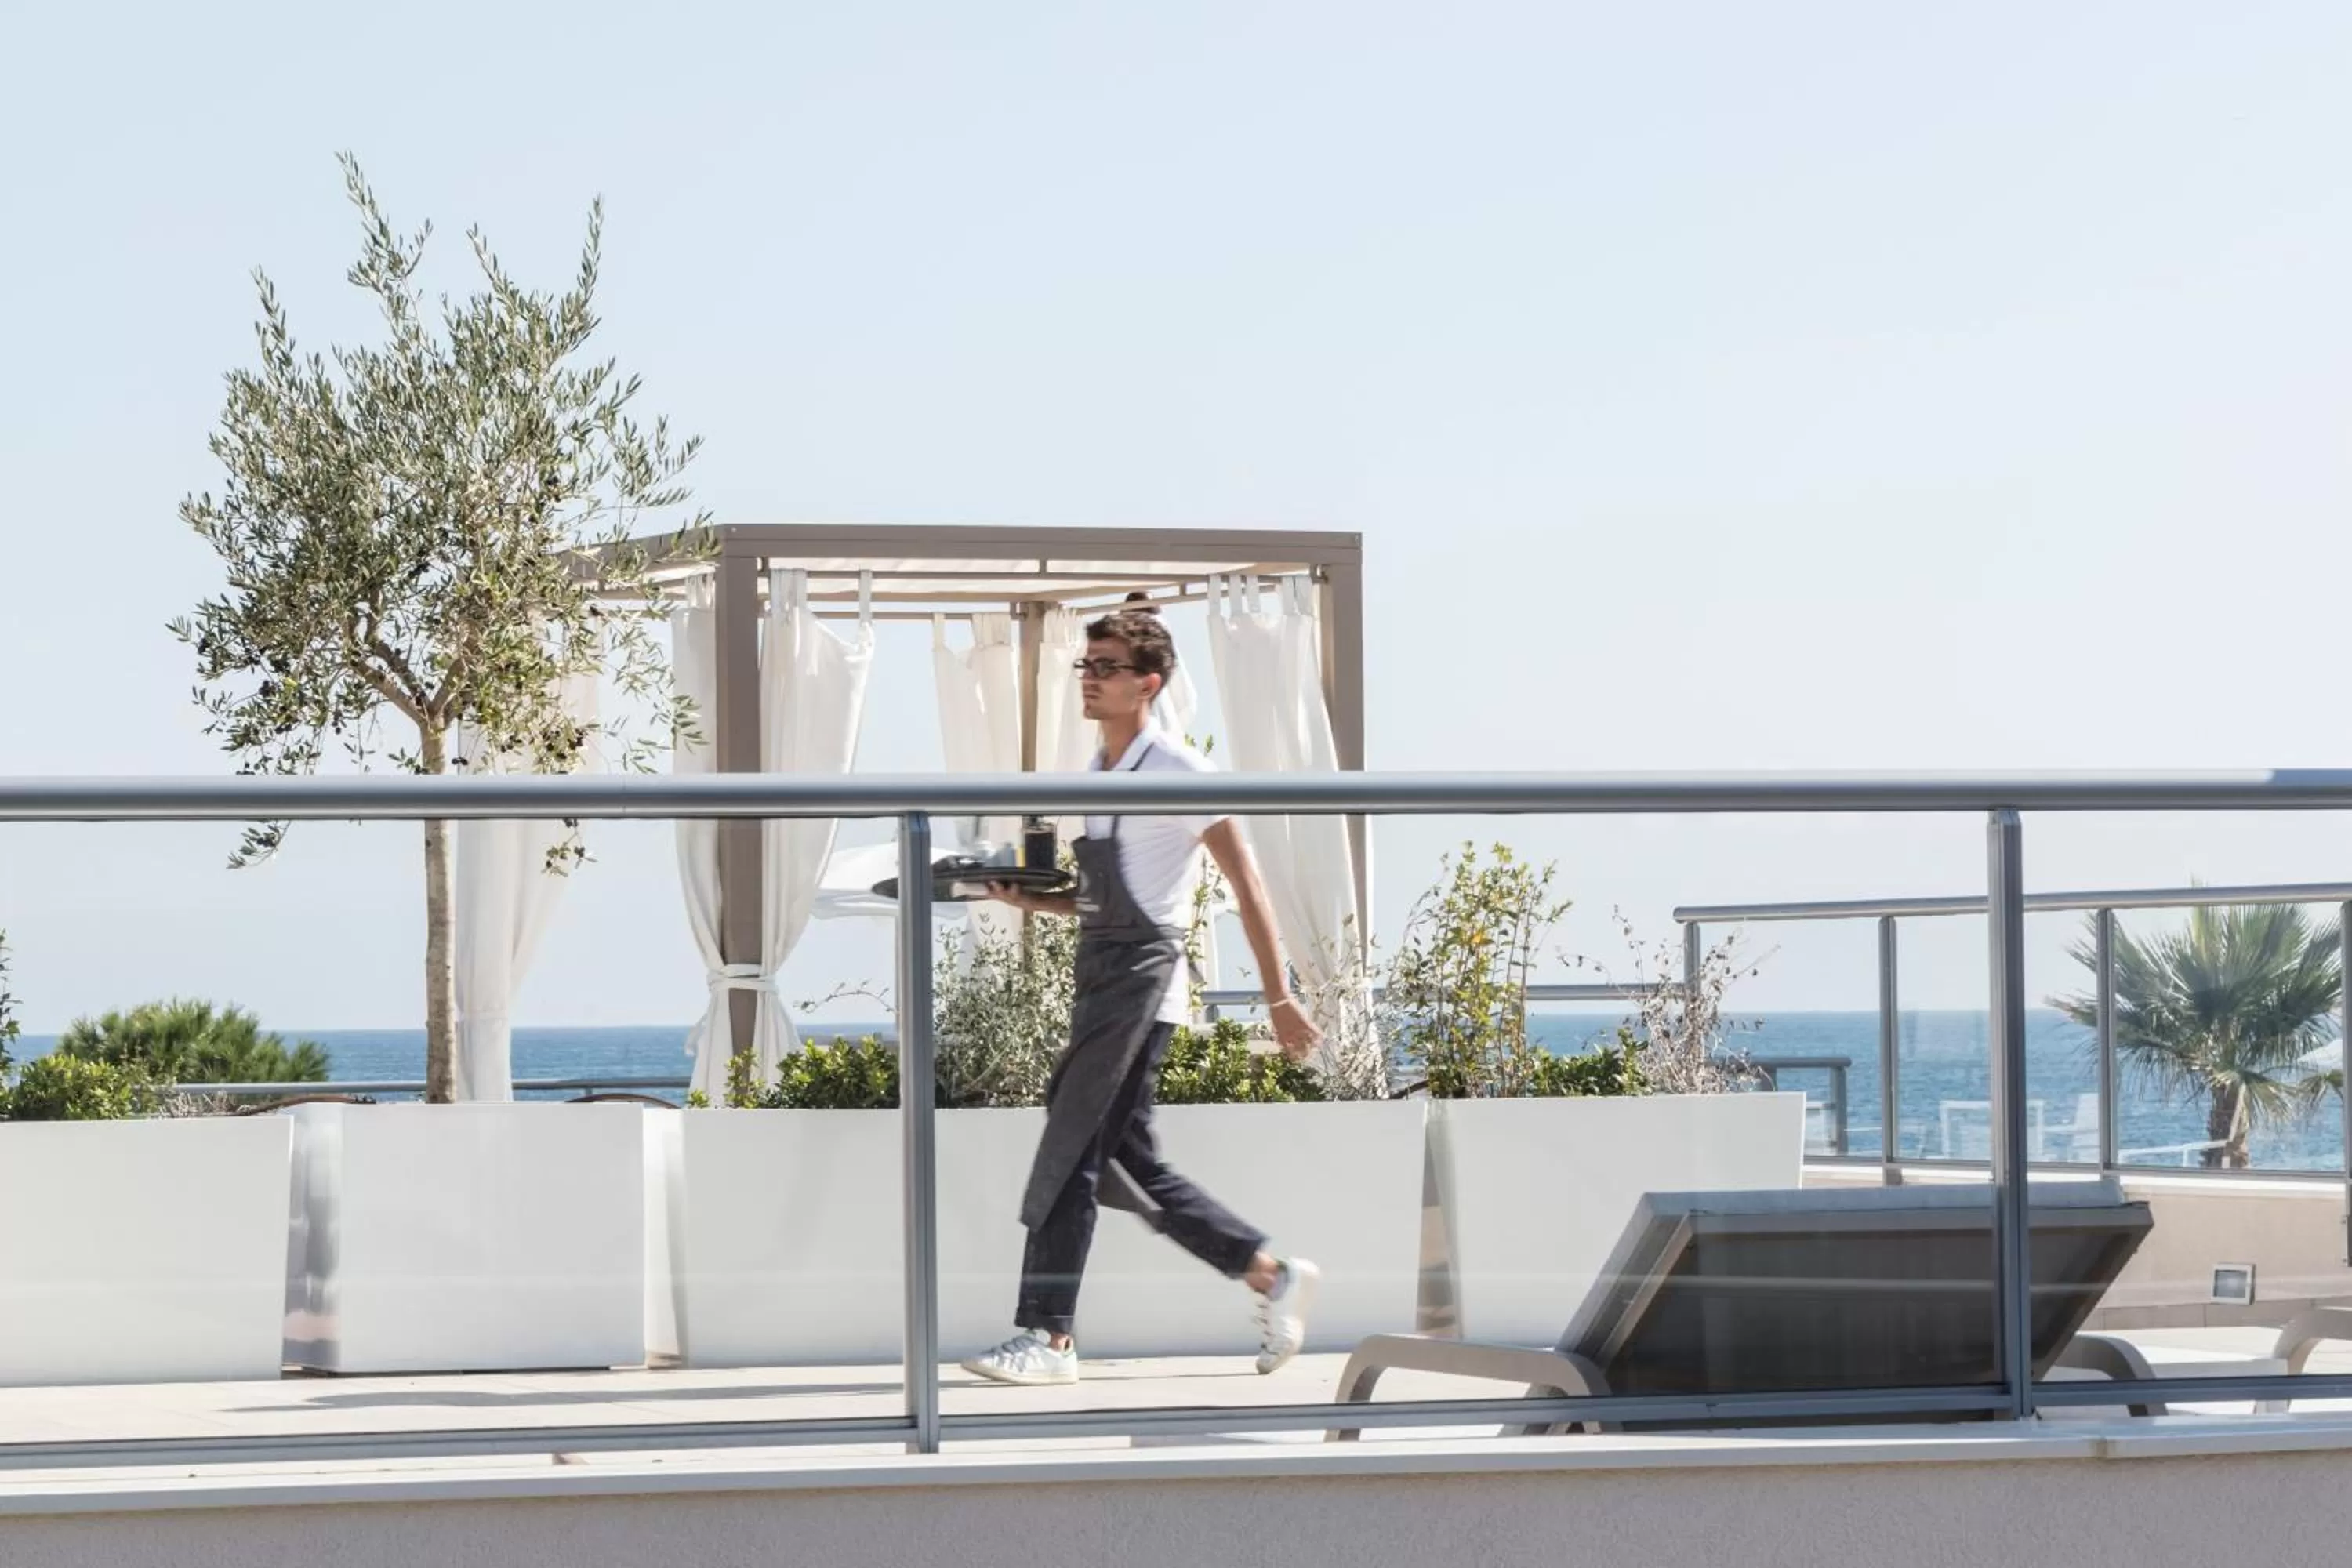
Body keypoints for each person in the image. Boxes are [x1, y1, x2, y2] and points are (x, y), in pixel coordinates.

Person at [959, 605, 1326, 1388]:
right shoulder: (1099, 775)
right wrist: (1034, 903)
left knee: (1070, 1150)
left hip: (1140, 981)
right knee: (1127, 1161)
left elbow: (1246, 882)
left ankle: (1047, 1335)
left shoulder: (1178, 771)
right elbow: (1102, 901)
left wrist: (1279, 993)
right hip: (1101, 974)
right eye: (1085, 666)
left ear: (1148, 682)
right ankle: (1268, 1273)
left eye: (1105, 667)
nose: (1088, 680)